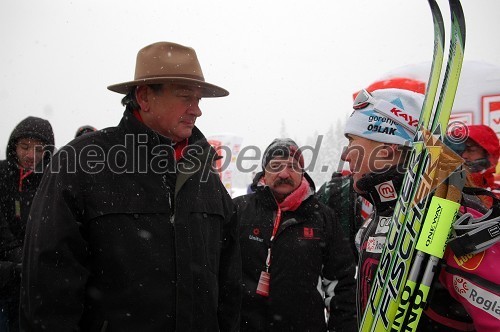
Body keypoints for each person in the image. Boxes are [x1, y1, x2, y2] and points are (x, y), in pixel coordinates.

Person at [20, 41, 241, 331]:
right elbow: (47, 290)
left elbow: (229, 286)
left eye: (199, 100)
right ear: (145, 96)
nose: (197, 110)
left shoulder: (206, 175)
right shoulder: (80, 164)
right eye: (186, 97)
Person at [341, 82, 500, 331]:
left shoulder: (451, 216)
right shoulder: (384, 212)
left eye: (352, 140)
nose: (345, 154)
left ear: (387, 148)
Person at [233, 138, 357, 331]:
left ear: (302, 173)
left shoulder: (322, 217)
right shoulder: (239, 210)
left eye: (292, 166)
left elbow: (342, 285)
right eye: (275, 166)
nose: (284, 173)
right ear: (263, 173)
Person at [0, 116, 54, 332]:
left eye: (39, 150)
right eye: (24, 146)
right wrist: (18, 257)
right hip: (5, 275)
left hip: (36, 280)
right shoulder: (1, 173)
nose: (31, 155)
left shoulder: (52, 180)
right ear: (14, 145)